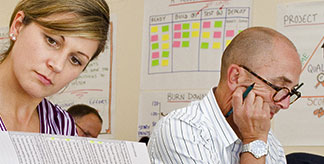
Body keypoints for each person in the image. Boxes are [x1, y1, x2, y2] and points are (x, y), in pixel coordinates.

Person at [147, 27, 304, 164]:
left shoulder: (270, 142)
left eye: (291, 92)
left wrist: (257, 138)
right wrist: (253, 141)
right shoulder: (180, 130)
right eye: (278, 87)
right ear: (236, 77)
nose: (285, 104)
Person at [0, 0, 109, 136]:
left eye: (75, 60)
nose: (58, 66)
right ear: (18, 26)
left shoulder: (64, 127)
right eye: (51, 41)